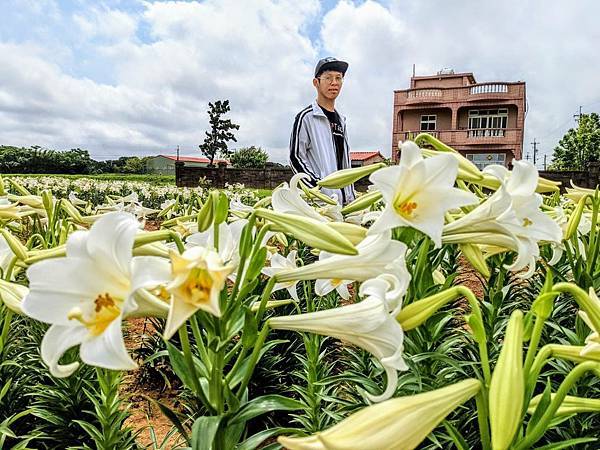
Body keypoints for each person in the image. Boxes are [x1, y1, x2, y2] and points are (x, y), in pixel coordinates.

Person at [289, 57, 355, 204]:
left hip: (345, 204)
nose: (334, 83)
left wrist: (351, 197)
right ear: (316, 82)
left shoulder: (341, 120)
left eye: (339, 78)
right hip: (320, 204)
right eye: (328, 78)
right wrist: (317, 189)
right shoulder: (306, 118)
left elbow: (345, 164)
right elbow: (296, 157)